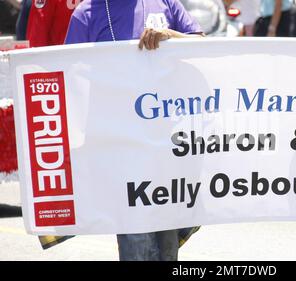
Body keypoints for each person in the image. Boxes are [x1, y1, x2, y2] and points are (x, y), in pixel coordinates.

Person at [64, 0, 203, 261]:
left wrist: (170, 36)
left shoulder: (166, 3)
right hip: (120, 142)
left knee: (167, 237)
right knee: (136, 239)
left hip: (168, 140)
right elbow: (69, 74)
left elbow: (203, 46)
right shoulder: (86, 14)